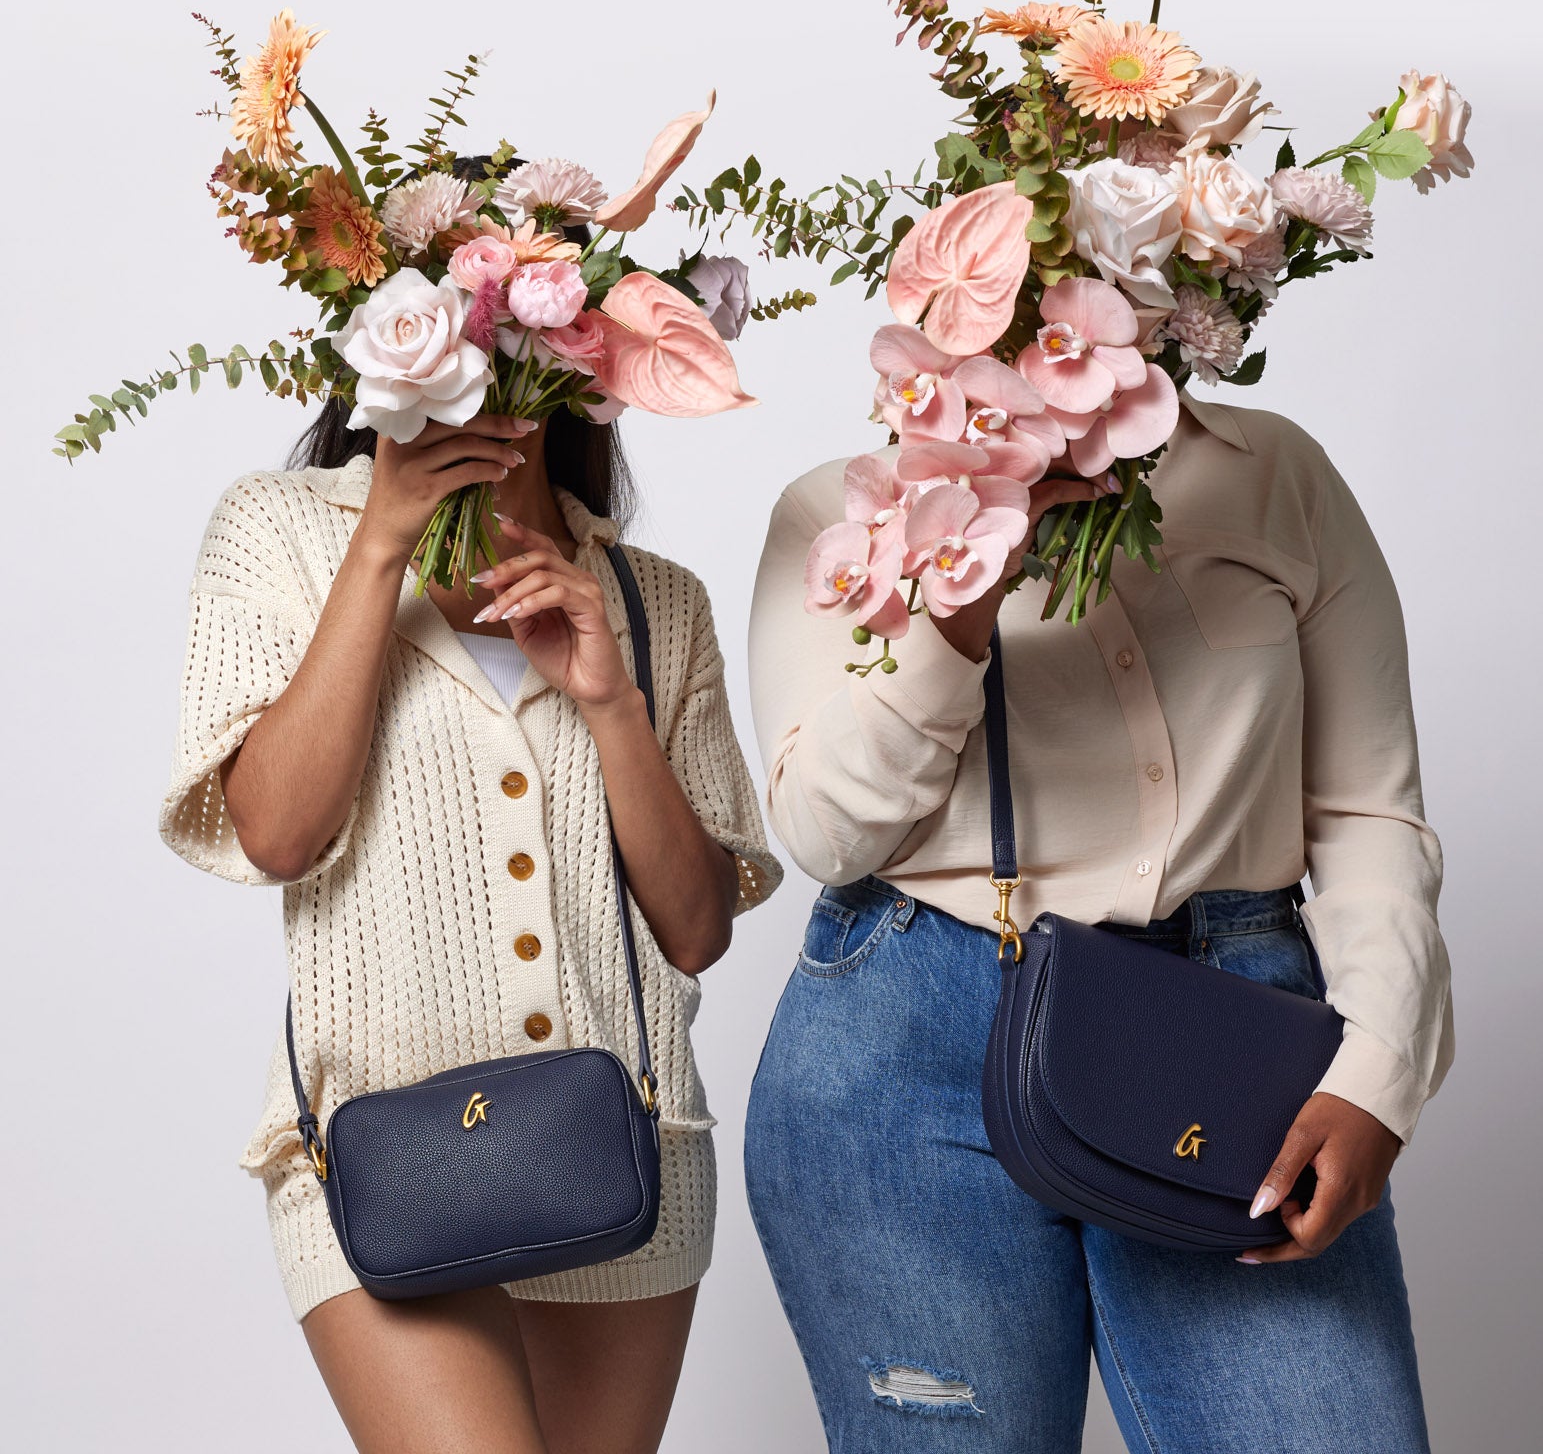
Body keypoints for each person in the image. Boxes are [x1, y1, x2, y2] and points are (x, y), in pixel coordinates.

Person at [744, 390, 1450, 1454]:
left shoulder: (1271, 473)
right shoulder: (840, 512)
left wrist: (1380, 1068)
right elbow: (827, 836)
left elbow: (1368, 806)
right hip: (906, 1048)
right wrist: (959, 603)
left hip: (1235, 1050)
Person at [164, 379, 780, 1454]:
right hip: (375, 1150)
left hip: (623, 1150)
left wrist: (610, 704)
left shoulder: (652, 599)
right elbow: (275, 833)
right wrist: (378, 548)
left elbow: (694, 932)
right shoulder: (279, 529)